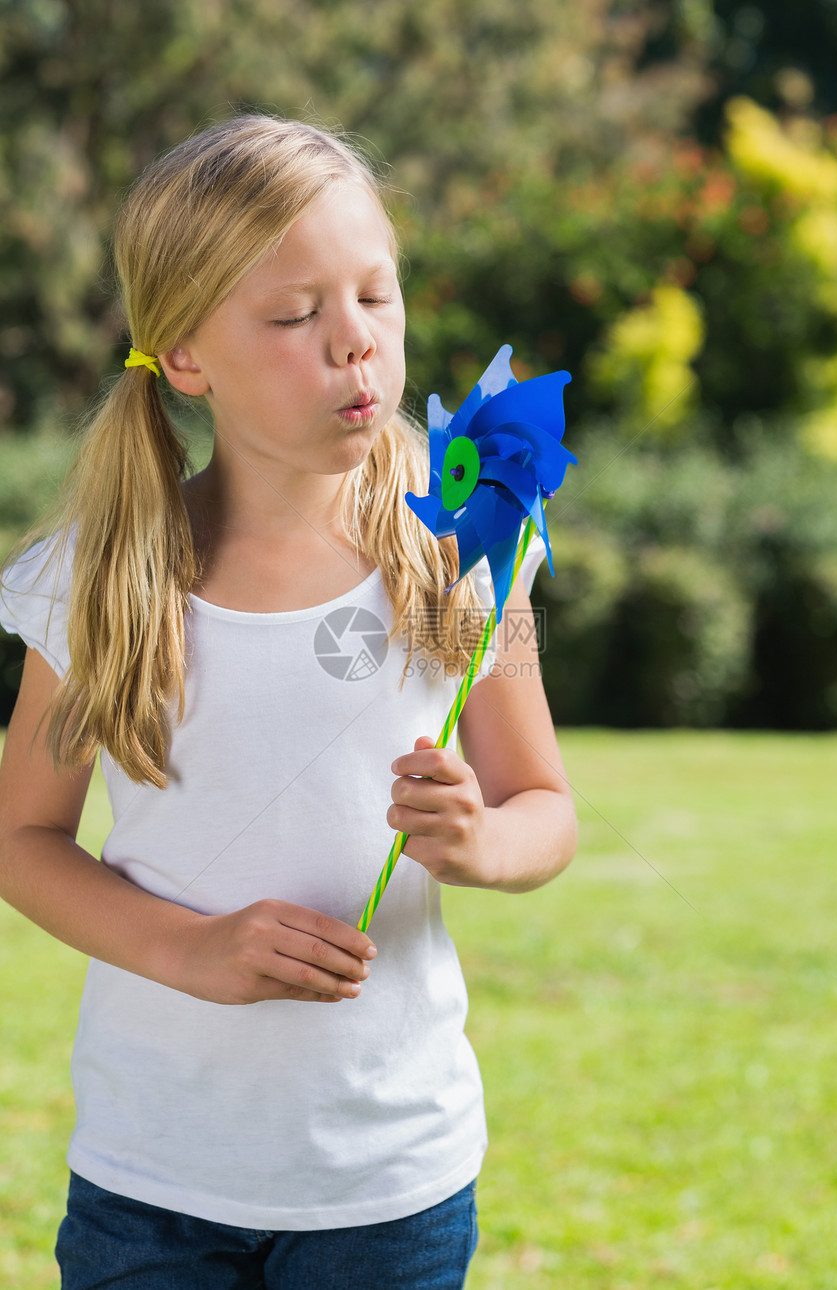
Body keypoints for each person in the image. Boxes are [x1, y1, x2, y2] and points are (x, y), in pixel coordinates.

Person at [0, 114, 577, 1290]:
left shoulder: (463, 551)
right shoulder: (100, 573)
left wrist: (479, 840)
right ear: (184, 357)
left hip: (386, 1179)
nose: (355, 344)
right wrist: (188, 946)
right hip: (153, 1180)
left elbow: (543, 808)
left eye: (376, 295)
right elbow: (20, 837)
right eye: (294, 314)